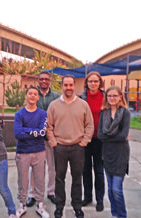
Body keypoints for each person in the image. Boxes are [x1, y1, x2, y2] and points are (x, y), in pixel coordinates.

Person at [47, 75, 94, 218]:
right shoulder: (54, 105)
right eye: (65, 85)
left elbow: (89, 125)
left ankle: (77, 206)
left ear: (74, 86)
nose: (68, 87)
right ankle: (59, 206)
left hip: (77, 147)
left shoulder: (83, 105)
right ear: (62, 86)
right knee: (59, 178)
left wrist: (84, 142)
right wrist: (53, 142)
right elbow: (49, 126)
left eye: (70, 85)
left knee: (77, 178)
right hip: (60, 147)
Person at [14, 86, 50, 218]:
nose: (33, 96)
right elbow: (18, 133)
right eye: (30, 93)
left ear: (38, 97)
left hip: (39, 151)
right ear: (26, 96)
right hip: (23, 152)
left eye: (35, 94)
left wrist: (27, 130)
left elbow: (42, 132)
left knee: (40, 179)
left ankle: (40, 205)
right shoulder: (19, 114)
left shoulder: (42, 114)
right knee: (22, 180)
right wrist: (33, 131)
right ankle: (22, 205)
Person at [26, 70, 60, 207]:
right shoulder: (33, 95)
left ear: (49, 81)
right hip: (36, 139)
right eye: (41, 79)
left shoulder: (56, 96)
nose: (44, 81)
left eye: (46, 79)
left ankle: (51, 192)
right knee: (34, 168)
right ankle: (32, 194)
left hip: (52, 137)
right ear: (38, 80)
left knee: (52, 167)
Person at [97, 86, 130, 218]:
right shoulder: (103, 113)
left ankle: (122, 215)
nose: (112, 98)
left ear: (120, 97)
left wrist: (108, 137)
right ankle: (114, 214)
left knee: (117, 189)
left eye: (115, 96)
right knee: (110, 189)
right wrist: (115, 137)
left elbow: (123, 136)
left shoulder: (125, 113)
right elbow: (100, 135)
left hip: (120, 155)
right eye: (109, 96)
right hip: (107, 155)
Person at [80, 71, 105, 211]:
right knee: (86, 169)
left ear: (100, 82)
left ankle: (99, 199)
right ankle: (88, 196)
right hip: (86, 139)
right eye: (90, 81)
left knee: (99, 170)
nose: (93, 84)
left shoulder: (106, 97)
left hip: (100, 140)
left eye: (96, 81)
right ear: (87, 83)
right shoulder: (82, 98)